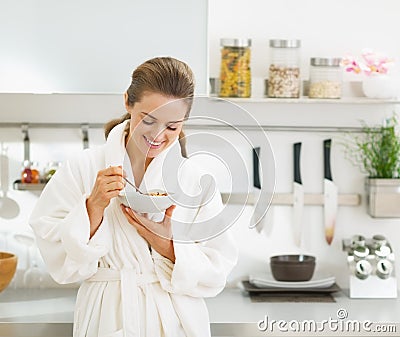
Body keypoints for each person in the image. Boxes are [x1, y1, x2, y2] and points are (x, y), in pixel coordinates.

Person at [29, 57, 238, 337]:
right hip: (107, 314)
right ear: (128, 102)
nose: (157, 135)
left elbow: (219, 268)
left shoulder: (196, 181)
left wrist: (168, 246)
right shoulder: (83, 168)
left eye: (172, 126)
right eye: (148, 120)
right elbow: (56, 256)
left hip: (175, 320)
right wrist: (93, 207)